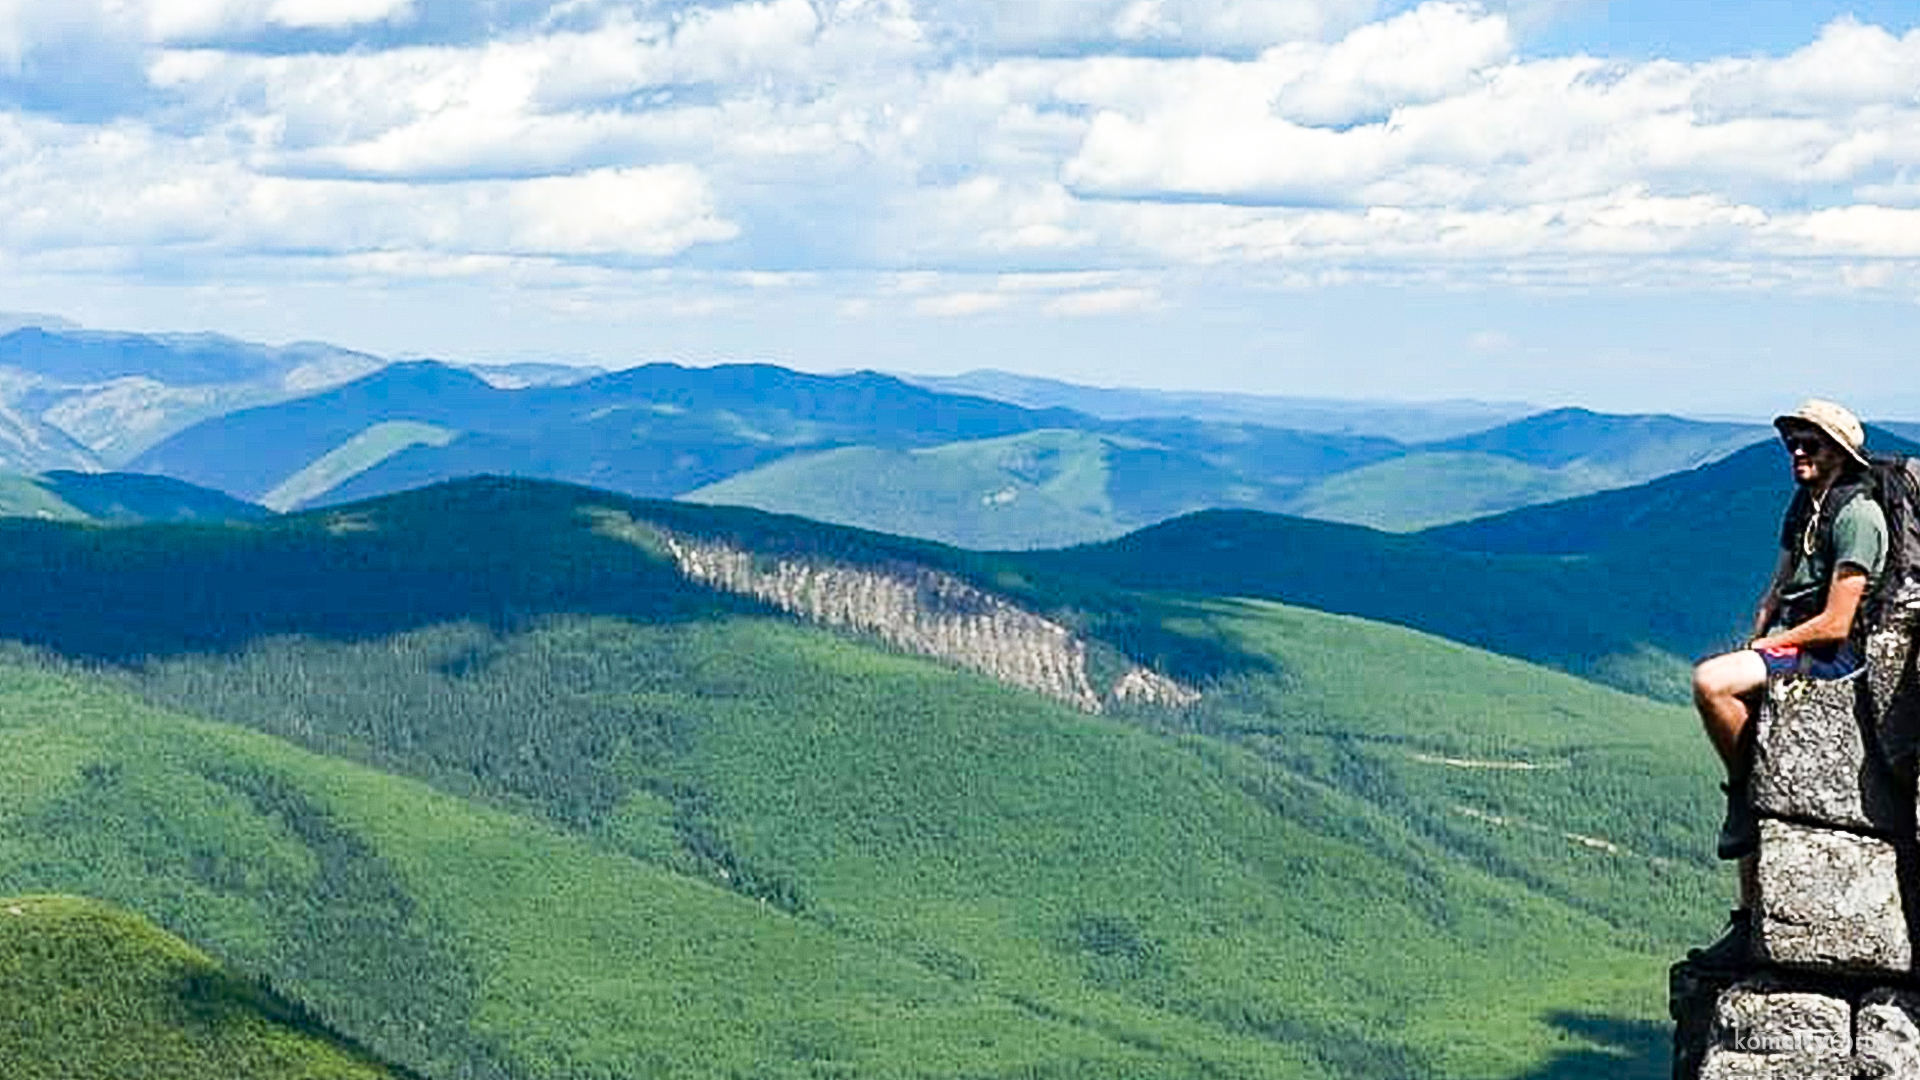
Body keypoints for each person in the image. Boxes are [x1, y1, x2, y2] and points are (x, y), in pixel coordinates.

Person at [1688, 399, 1887, 963]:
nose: (1798, 452)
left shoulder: (1858, 517)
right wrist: (1765, 621)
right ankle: (1748, 918)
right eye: (1793, 443)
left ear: (1840, 455)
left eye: (1811, 444)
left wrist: (1763, 648)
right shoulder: (1807, 506)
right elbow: (1777, 589)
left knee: (1712, 683)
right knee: (1756, 793)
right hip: (1795, 640)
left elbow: (1837, 622)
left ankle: (1742, 788)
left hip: (1833, 654)